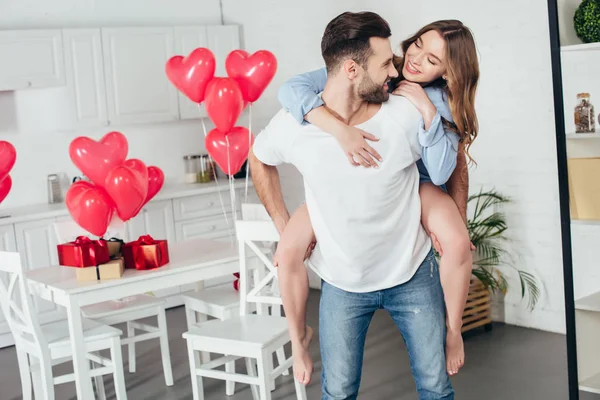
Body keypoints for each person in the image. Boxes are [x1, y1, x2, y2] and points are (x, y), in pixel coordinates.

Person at [250, 11, 464, 399]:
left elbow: (449, 162)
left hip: (411, 273)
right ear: (351, 69)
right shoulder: (297, 124)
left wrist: (451, 214)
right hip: (343, 282)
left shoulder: (406, 110)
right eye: (385, 64)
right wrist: (283, 223)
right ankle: (299, 342)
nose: (396, 69)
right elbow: (259, 158)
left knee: (436, 387)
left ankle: (452, 336)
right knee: (338, 392)